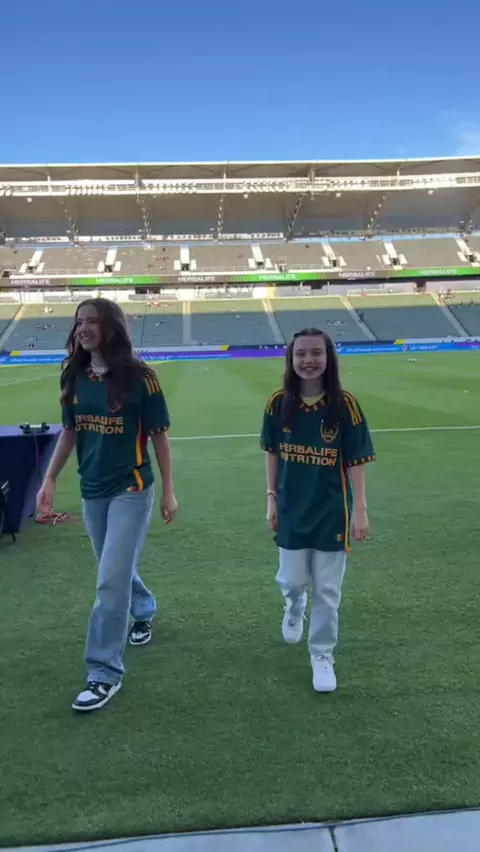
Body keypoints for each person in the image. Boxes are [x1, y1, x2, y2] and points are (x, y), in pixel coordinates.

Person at [37, 298, 177, 713]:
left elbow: (159, 437)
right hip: (92, 489)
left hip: (132, 488)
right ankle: (144, 609)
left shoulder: (141, 379)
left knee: (110, 580)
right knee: (114, 569)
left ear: (111, 327)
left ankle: (103, 673)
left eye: (93, 321)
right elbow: (70, 432)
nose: (83, 328)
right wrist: (49, 478)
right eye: (79, 321)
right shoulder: (74, 375)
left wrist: (169, 491)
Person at [261, 328, 375, 694]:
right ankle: (295, 606)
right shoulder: (278, 402)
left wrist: (360, 509)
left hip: (331, 511)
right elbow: (272, 452)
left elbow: (356, 460)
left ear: (328, 358)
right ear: (291, 359)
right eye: (301, 354)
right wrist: (271, 498)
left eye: (316, 353)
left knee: (327, 589)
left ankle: (322, 653)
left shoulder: (345, 404)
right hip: (291, 508)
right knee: (292, 580)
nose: (308, 360)